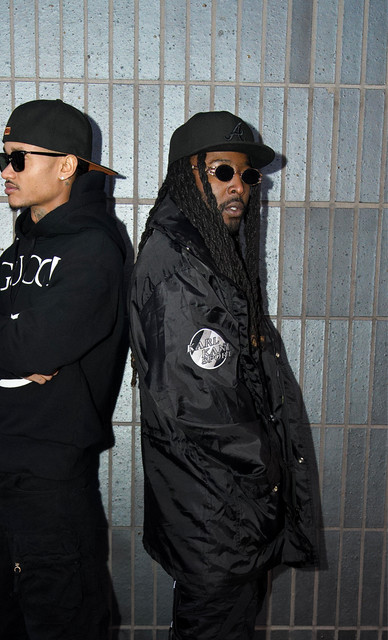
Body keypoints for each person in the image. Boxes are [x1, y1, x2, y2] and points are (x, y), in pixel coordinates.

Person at [129, 111, 320, 639]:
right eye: (222, 171)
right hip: (217, 511)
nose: (239, 186)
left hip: (220, 508)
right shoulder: (181, 265)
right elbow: (197, 399)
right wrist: (269, 472)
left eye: (248, 175)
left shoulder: (204, 250)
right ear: (187, 175)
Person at [0, 99, 127, 640]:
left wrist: (2, 346)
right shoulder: (18, 250)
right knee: (7, 624)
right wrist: (2, 354)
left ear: (66, 165)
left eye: (19, 158)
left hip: (53, 487)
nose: (5, 171)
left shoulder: (95, 248)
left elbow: (35, 344)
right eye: (2, 158)